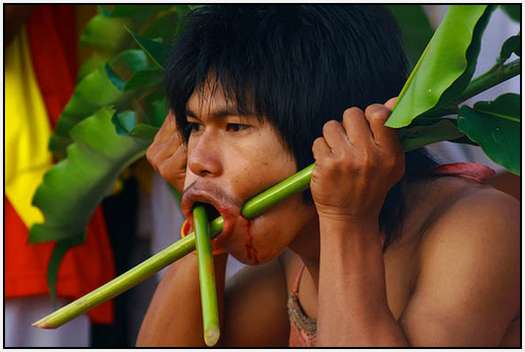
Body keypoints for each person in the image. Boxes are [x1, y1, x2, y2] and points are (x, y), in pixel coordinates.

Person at [137, 5, 520, 347]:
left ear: (332, 128)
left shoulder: (480, 226)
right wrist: (204, 230)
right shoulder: (298, 255)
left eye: (235, 126)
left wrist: (347, 221)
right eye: (194, 127)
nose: (198, 159)